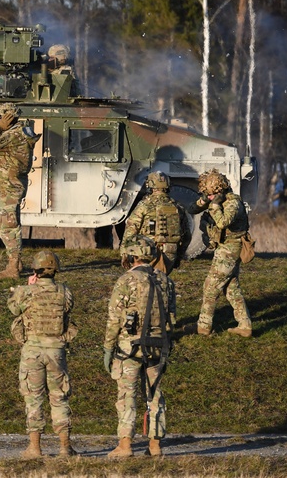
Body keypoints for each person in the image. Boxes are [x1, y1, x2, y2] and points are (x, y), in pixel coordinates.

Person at [103, 236, 175, 458]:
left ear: (131, 256)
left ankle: (125, 446)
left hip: (129, 347)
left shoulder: (126, 280)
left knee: (127, 395)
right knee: (155, 395)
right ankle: (155, 446)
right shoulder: (165, 280)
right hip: (157, 347)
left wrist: (108, 348)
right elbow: (171, 318)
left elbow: (114, 318)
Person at [7, 251, 76, 458]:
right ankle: (65, 447)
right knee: (59, 397)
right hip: (56, 351)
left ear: (35, 269)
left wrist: (29, 287)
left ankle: (35, 448)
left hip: (32, 351)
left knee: (33, 398)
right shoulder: (65, 292)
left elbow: (13, 309)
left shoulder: (26, 292)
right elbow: (68, 310)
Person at [187, 169, 252, 337]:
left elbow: (222, 223)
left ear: (219, 191)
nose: (209, 197)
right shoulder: (214, 198)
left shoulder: (232, 203)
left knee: (210, 286)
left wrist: (214, 206)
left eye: (211, 194)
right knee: (231, 289)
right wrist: (203, 201)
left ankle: (203, 326)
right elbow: (191, 209)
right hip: (224, 248)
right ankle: (245, 325)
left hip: (230, 249)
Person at [0, 103, 40, 279]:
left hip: (10, 185)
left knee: (8, 225)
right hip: (9, 185)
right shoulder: (21, 132)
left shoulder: (14, 134)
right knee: (5, 223)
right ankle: (16, 262)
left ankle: (13, 267)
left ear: (7, 118)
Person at [119, 171, 188, 274]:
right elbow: (187, 235)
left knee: (145, 284)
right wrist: (179, 256)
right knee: (162, 283)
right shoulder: (178, 207)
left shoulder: (144, 205)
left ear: (149, 185)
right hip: (170, 252)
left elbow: (131, 229)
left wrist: (124, 253)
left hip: (147, 253)